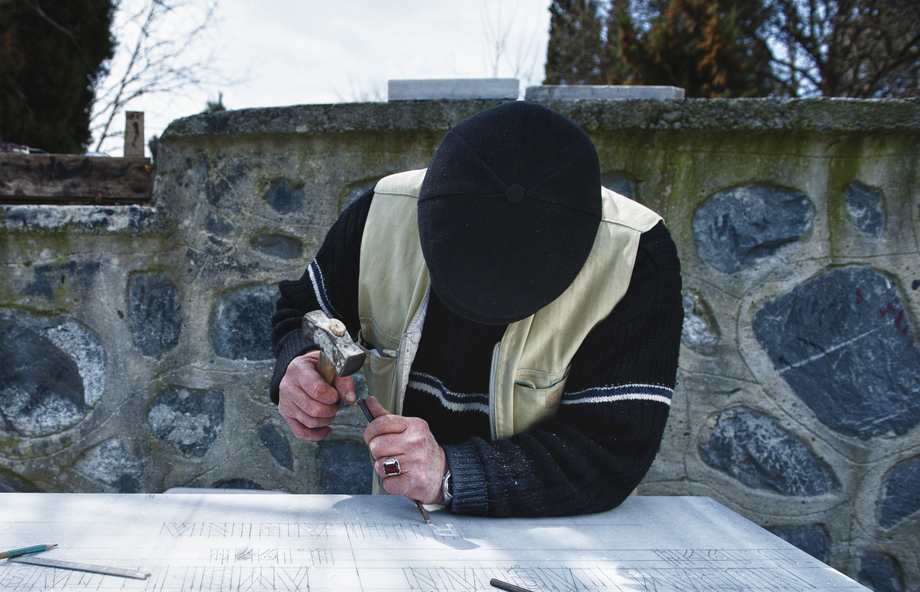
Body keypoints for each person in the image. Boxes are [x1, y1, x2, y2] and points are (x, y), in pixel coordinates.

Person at [269, 101, 683, 516]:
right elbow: (300, 312)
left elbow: (610, 453)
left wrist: (451, 474)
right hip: (400, 528)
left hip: (556, 545)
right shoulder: (381, 213)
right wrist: (298, 367)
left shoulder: (635, 257)